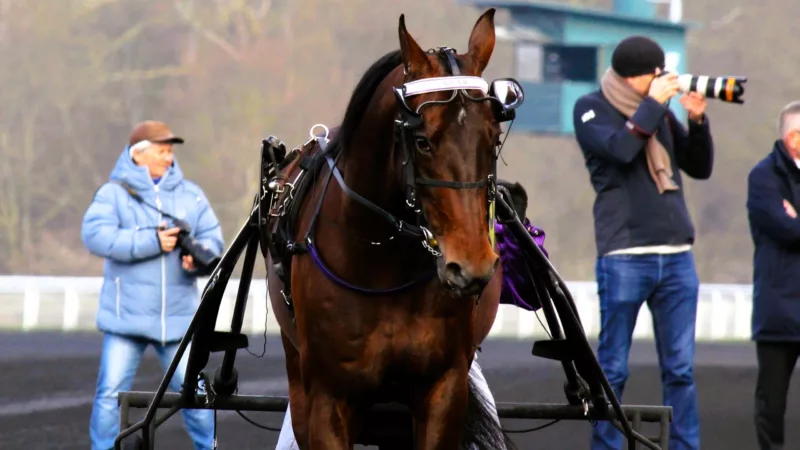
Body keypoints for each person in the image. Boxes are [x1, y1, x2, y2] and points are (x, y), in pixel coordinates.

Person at [571, 36, 714, 450]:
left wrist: (698, 121)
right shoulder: (591, 108)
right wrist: (653, 105)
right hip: (625, 254)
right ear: (637, 76)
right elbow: (621, 150)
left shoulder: (657, 113)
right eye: (656, 73)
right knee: (613, 368)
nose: (663, 79)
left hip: (677, 255)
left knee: (681, 370)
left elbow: (699, 166)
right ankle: (607, 446)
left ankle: (685, 446)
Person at [82, 120, 225, 450]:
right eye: (161, 151)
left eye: (170, 151)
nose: (168, 157)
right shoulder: (112, 194)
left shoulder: (192, 194)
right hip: (126, 319)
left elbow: (213, 239)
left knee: (196, 395)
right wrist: (151, 242)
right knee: (110, 395)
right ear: (138, 154)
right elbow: (95, 236)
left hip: (177, 319)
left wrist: (197, 260)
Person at [746, 100, 800, 450]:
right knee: (771, 404)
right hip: (779, 307)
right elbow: (787, 230)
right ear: (790, 138)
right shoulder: (764, 177)